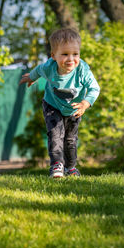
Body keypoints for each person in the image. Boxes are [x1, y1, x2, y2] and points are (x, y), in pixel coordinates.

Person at [19, 27, 100, 178]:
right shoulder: (49, 67)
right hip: (52, 105)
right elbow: (38, 70)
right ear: (53, 56)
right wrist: (31, 77)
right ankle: (57, 165)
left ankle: (71, 168)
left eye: (75, 54)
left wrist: (85, 103)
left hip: (75, 108)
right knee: (55, 134)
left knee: (70, 139)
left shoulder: (82, 70)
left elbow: (95, 88)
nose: (71, 59)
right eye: (65, 54)